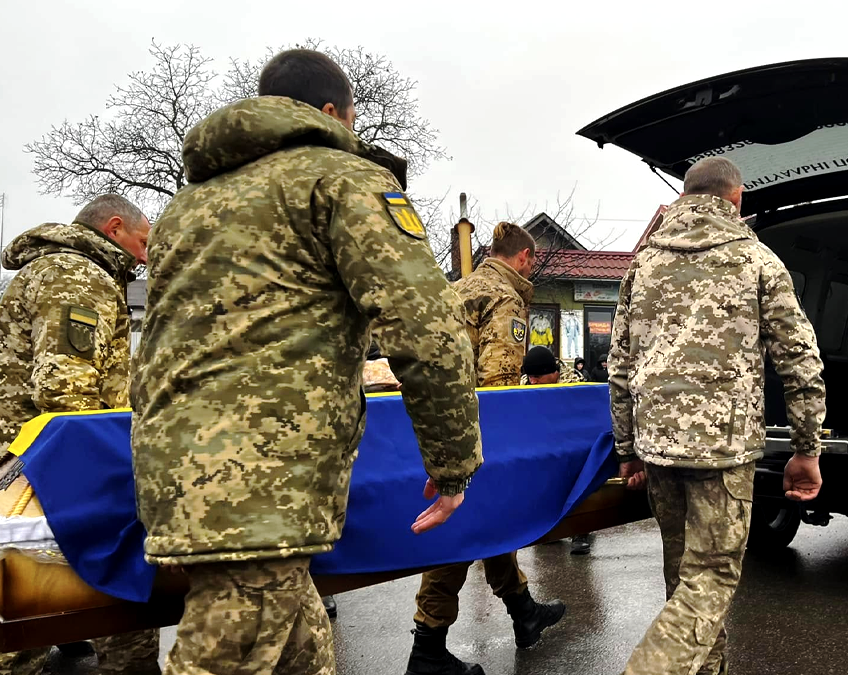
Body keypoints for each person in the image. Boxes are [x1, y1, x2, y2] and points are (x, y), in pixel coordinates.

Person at [132, 49, 483, 675]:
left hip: (176, 472)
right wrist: (453, 464)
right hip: (262, 482)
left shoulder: (186, 209)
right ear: (330, 113)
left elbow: (160, 344)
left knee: (303, 652)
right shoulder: (340, 179)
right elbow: (426, 330)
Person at [611, 156, 826, 675]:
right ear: (737, 198)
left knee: (684, 583)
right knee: (709, 581)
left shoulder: (642, 265)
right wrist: (806, 448)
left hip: (658, 446)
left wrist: (626, 448)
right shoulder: (757, 261)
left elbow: (618, 367)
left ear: (686, 197)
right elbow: (799, 362)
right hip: (722, 452)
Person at [0, 195, 160, 674]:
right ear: (115, 228)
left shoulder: (73, 272)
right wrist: (104, 478)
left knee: (114, 602)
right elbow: (65, 392)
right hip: (43, 470)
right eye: (144, 241)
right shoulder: (76, 275)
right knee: (35, 616)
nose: (147, 255)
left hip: (37, 462)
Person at [405, 223, 565, 675]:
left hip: (436, 424)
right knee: (465, 527)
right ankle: (427, 650)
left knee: (492, 520)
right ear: (525, 258)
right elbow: (496, 387)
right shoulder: (504, 297)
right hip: (469, 432)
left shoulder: (459, 288)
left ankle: (524, 612)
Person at [519, 346, 594, 555]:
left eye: (537, 377)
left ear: (554, 373)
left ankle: (580, 532)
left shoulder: (575, 383)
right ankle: (551, 529)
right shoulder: (526, 383)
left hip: (573, 444)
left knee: (578, 485)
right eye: (529, 376)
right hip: (544, 445)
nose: (532, 381)